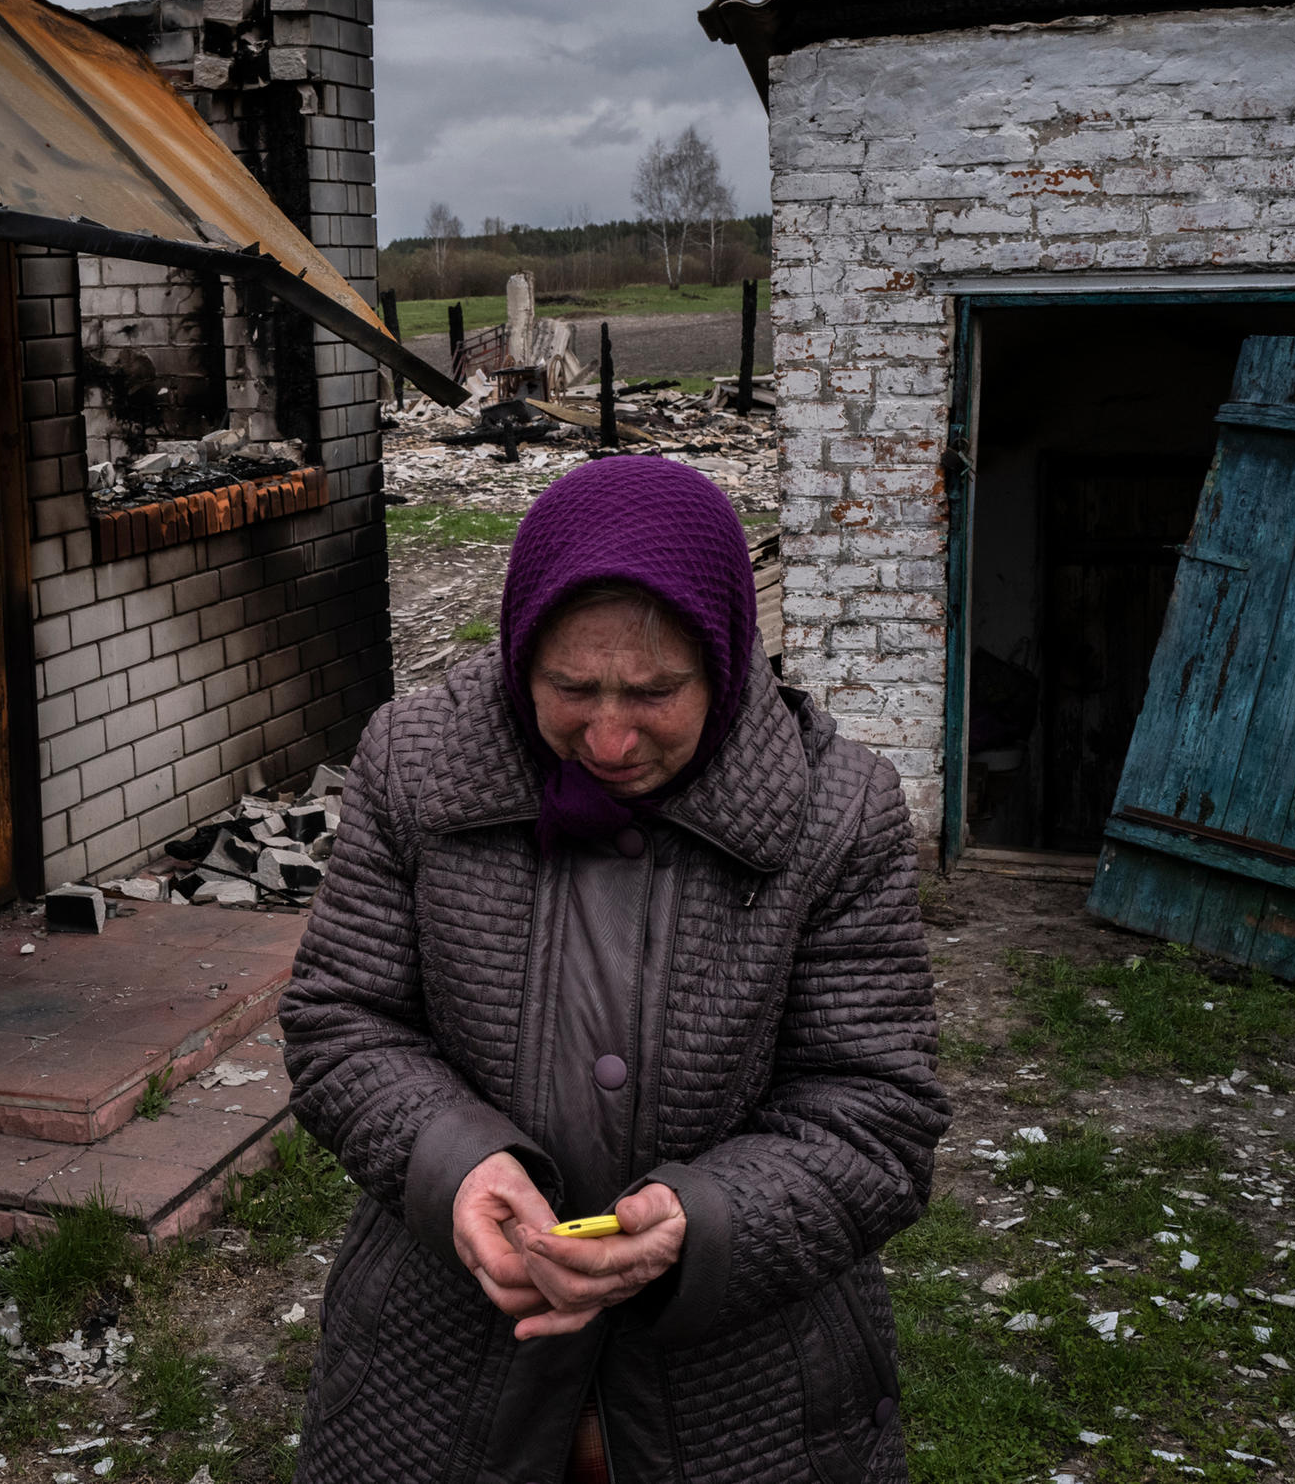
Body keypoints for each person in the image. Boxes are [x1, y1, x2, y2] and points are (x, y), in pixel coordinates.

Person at [280, 453, 949, 1483]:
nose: (606, 733)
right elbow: (342, 1020)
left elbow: (876, 1110)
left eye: (654, 690)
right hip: (441, 1357)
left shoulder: (836, 811)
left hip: (746, 1384)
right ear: (518, 652)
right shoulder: (414, 762)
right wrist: (455, 1166)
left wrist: (708, 1222)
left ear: (724, 659)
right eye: (570, 686)